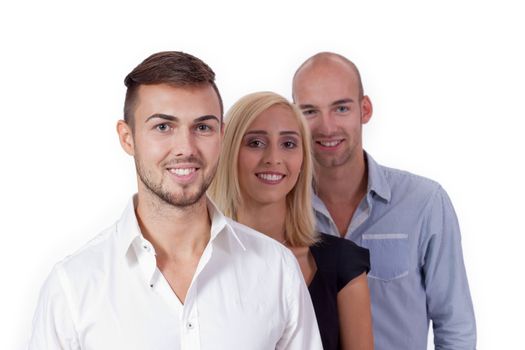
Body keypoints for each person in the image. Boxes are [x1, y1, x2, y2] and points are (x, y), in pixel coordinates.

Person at [29, 51, 322, 350]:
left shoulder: (277, 271)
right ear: (127, 138)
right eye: (163, 127)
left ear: (221, 136)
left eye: (202, 127)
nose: (186, 147)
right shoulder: (73, 287)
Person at [292, 52, 477, 349]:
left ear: (365, 109)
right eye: (310, 111)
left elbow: (454, 325)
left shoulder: (425, 204)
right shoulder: (279, 210)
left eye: (341, 108)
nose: (327, 127)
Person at [209, 91, 373, 350]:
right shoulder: (197, 261)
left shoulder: (342, 265)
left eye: (288, 144)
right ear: (228, 151)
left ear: (303, 159)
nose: (274, 158)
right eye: (255, 143)